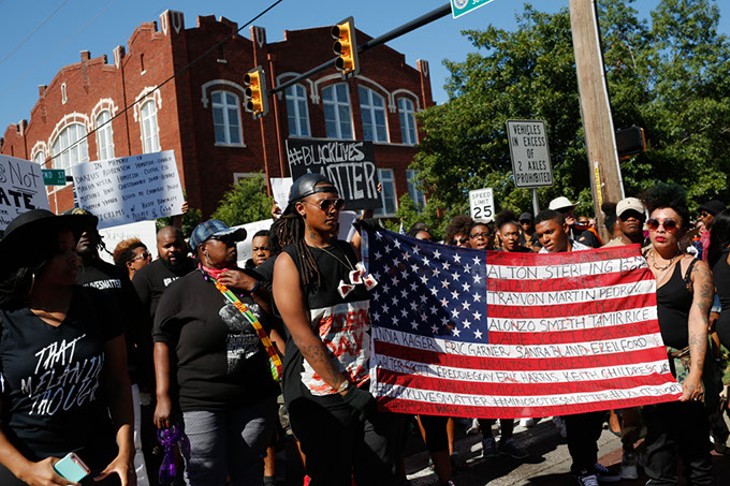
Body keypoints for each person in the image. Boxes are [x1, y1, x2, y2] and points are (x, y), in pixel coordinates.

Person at [272, 173, 401, 485]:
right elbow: (303, 337)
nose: (333, 210)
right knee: (333, 476)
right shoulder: (289, 263)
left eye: (338, 203)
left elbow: (355, 246)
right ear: (301, 209)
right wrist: (345, 389)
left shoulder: (344, 251)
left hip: (366, 385)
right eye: (324, 204)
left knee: (382, 473)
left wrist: (368, 217)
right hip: (323, 397)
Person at [0, 209, 135, 486]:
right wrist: (26, 470)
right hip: (27, 465)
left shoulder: (98, 305)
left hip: (98, 463)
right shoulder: (4, 319)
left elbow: (118, 382)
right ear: (34, 258)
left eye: (72, 248)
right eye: (62, 251)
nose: (73, 257)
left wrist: (125, 453)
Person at [153, 220, 280, 485]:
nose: (233, 245)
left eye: (234, 240)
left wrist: (254, 288)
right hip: (202, 401)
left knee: (248, 471)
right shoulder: (181, 290)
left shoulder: (253, 280)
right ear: (203, 250)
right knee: (205, 472)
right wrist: (163, 396)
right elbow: (161, 342)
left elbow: (278, 321)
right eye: (225, 241)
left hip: (253, 400)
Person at [69, 208, 152, 486]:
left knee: (133, 445)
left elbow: (139, 327)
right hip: (79, 385)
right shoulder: (63, 281)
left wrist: (146, 373)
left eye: (90, 228)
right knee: (79, 455)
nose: (85, 234)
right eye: (78, 228)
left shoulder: (115, 275)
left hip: (123, 379)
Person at [534, 209, 615, 486]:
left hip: (591, 345)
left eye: (549, 232)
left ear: (564, 229)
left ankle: (590, 459)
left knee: (596, 410)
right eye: (540, 234)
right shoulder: (535, 266)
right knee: (575, 412)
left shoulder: (590, 253)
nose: (545, 239)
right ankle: (582, 469)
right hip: (561, 351)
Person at [641, 184, 713, 485]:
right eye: (654, 222)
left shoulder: (695, 269)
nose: (660, 229)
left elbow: (698, 322)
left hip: (684, 366)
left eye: (669, 224)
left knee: (695, 452)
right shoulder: (632, 265)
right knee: (657, 451)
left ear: (681, 231)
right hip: (648, 369)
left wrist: (695, 375)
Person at [133, 226, 196, 321]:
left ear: (184, 244)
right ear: (158, 247)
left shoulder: (198, 267)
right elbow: (136, 317)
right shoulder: (144, 276)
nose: (173, 250)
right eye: (167, 246)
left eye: (177, 245)